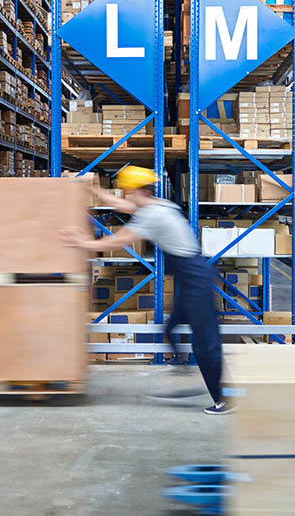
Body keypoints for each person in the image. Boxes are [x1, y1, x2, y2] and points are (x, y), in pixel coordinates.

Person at [60, 167, 231, 415]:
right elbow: (122, 206)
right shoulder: (157, 205)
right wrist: (92, 188)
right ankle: (181, 370)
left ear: (140, 191)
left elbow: (117, 241)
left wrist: (81, 243)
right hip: (190, 276)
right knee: (170, 327)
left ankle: (224, 399)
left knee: (205, 344)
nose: (127, 197)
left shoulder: (153, 216)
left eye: (129, 192)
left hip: (196, 280)